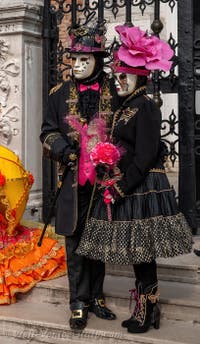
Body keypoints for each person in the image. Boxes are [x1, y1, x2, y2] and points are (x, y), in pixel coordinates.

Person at [76, 25, 193, 333]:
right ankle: (145, 309)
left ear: (139, 77)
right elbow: (121, 148)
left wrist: (121, 186)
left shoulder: (147, 107)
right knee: (134, 252)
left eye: (123, 77)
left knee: (143, 252)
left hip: (142, 187)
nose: (119, 81)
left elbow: (145, 155)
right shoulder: (123, 107)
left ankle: (148, 309)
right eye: (117, 77)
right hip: (123, 183)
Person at [40, 23, 117, 330]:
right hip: (74, 181)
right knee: (74, 240)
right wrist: (64, 150)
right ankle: (78, 301)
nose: (79, 65)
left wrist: (111, 154)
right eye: (75, 59)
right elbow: (47, 132)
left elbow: (124, 131)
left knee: (99, 239)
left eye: (86, 60)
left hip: (105, 181)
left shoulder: (113, 90)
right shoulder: (58, 95)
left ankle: (97, 296)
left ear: (98, 62)